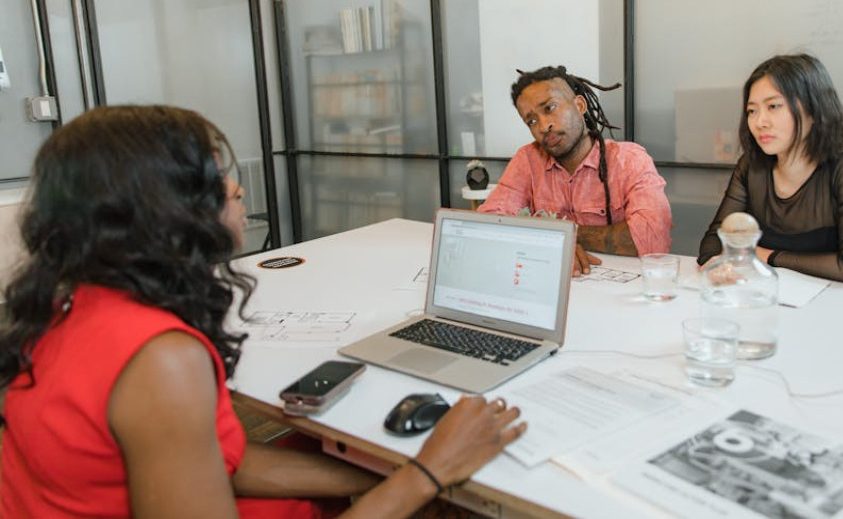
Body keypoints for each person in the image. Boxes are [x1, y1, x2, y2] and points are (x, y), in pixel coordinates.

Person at [0, 105, 525, 518]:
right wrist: (427, 475)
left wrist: (385, 473)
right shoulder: (159, 359)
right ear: (163, 208)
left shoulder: (62, 307)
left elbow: (227, 459)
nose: (236, 187)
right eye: (212, 177)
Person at [697, 54, 843, 285]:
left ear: (813, 110)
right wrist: (719, 261)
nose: (760, 121)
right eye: (752, 110)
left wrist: (766, 256)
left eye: (773, 106)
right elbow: (713, 242)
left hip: (838, 305)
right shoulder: (751, 168)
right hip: (770, 297)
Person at [478, 66, 672, 276]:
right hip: (549, 279)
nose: (543, 126)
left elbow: (653, 237)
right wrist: (553, 248)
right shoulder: (527, 160)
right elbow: (489, 224)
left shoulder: (629, 159)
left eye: (550, 108)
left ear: (579, 105)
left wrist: (558, 237)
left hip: (619, 287)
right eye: (531, 121)